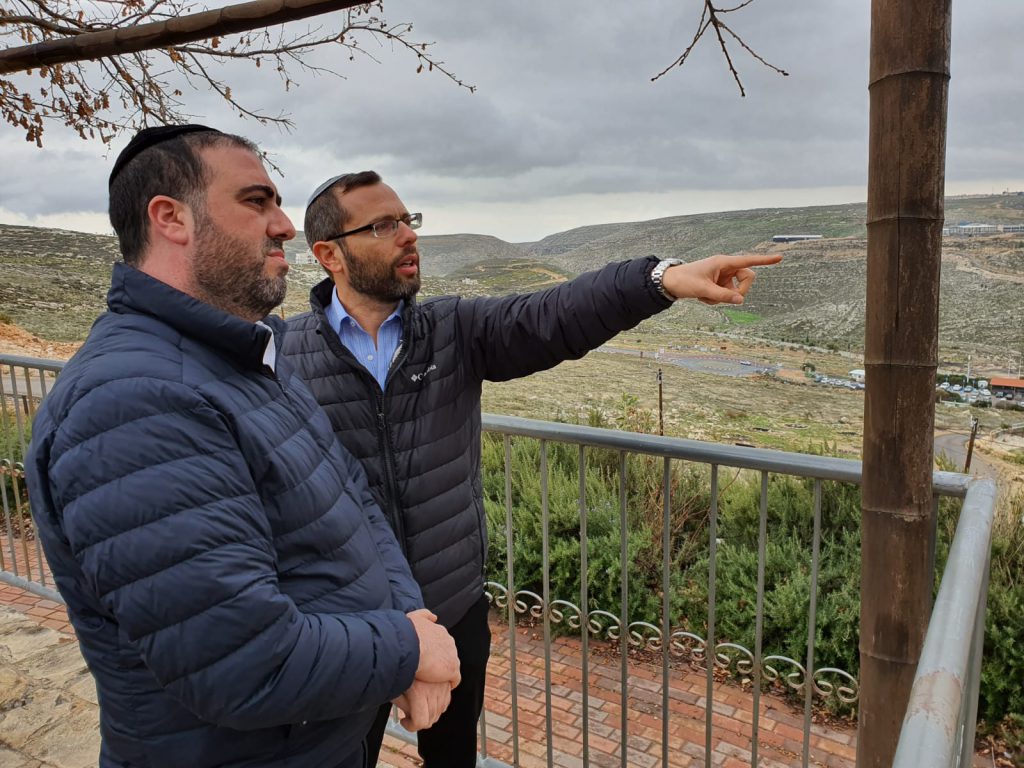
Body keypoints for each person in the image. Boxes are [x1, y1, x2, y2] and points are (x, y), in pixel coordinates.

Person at [280, 170, 782, 767]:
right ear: (328, 254)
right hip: (347, 621)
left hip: (453, 604)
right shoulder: (284, 355)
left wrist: (660, 281)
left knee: (452, 757)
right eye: (383, 226)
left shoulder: (454, 330)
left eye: (409, 221)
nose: (408, 236)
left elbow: (554, 314)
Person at [25, 128, 460, 768]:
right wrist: (405, 648)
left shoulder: (246, 358)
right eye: (256, 202)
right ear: (170, 218)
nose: (284, 226)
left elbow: (354, 502)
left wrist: (409, 617)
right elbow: (239, 659)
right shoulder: (132, 402)